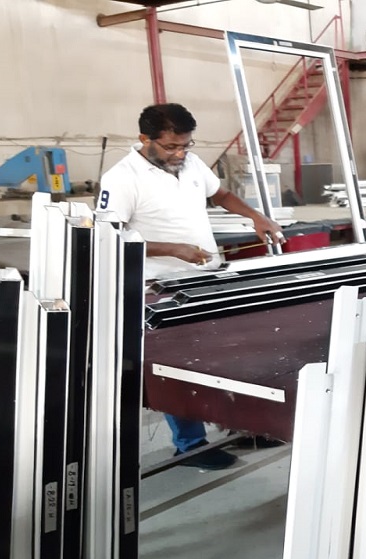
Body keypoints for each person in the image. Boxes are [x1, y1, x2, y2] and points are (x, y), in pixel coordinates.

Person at [97, 103, 284, 470]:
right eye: (171, 147)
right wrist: (173, 249)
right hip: (161, 287)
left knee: (225, 357)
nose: (180, 154)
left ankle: (243, 426)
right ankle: (190, 445)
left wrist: (255, 216)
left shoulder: (192, 164)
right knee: (179, 367)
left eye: (186, 145)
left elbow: (221, 195)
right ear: (144, 139)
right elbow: (108, 236)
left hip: (207, 277)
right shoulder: (121, 178)